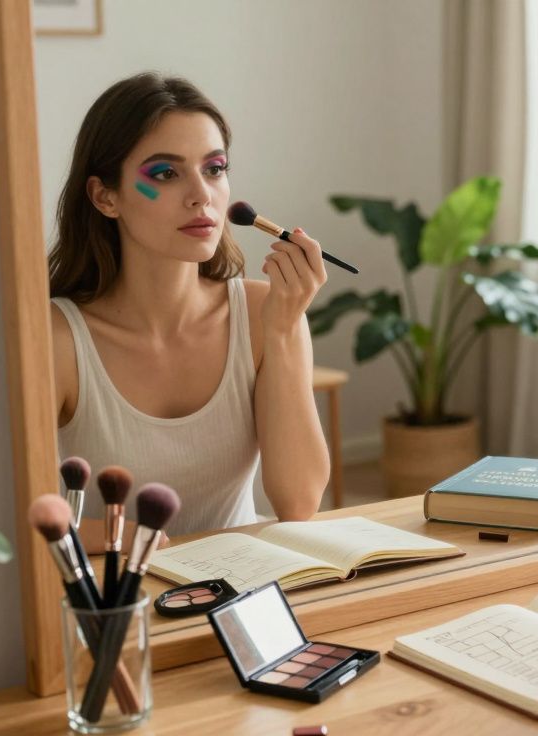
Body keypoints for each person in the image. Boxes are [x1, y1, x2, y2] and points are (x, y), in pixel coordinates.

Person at [49, 73, 330, 540]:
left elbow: (299, 503)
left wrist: (281, 331)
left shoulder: (266, 314)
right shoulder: (58, 338)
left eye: (214, 168)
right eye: (165, 173)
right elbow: (24, 515)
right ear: (105, 197)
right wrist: (130, 537)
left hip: (243, 587)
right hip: (123, 592)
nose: (202, 194)